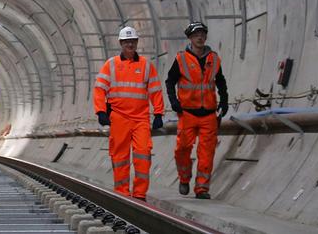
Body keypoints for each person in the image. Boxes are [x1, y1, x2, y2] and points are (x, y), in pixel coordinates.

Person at [93, 26, 165, 200]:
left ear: (137, 42)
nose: (130, 44)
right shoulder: (111, 64)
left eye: (132, 41)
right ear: (121, 43)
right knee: (120, 157)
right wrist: (101, 111)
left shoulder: (146, 66)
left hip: (141, 119)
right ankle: (122, 193)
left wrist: (158, 114)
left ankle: (140, 194)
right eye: (126, 42)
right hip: (119, 118)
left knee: (143, 154)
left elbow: (155, 90)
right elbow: (99, 89)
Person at [166, 21, 228, 200]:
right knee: (182, 149)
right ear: (190, 38)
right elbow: (170, 82)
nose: (199, 37)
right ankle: (184, 178)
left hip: (209, 113)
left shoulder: (214, 59)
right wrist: (174, 101)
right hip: (187, 113)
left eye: (202, 34)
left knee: (207, 153)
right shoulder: (181, 59)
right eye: (196, 35)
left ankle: (201, 188)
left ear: (205, 37)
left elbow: (220, 81)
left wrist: (224, 100)